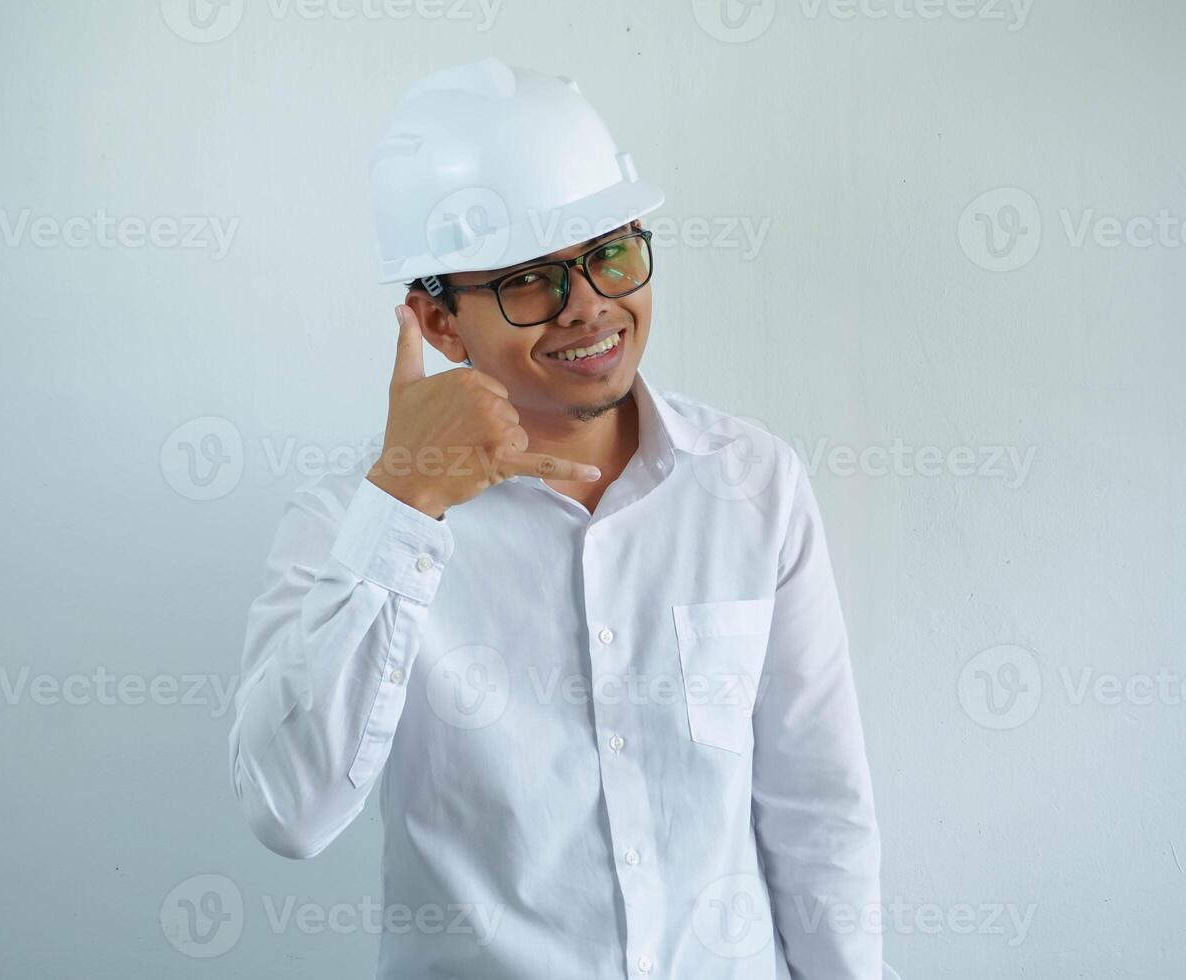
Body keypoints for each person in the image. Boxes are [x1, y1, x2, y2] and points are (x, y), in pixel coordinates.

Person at [227, 57, 882, 979]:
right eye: (531, 280)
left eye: (610, 253)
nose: (590, 307)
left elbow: (819, 806)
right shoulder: (346, 524)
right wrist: (404, 504)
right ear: (438, 323)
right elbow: (289, 812)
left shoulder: (751, 484)